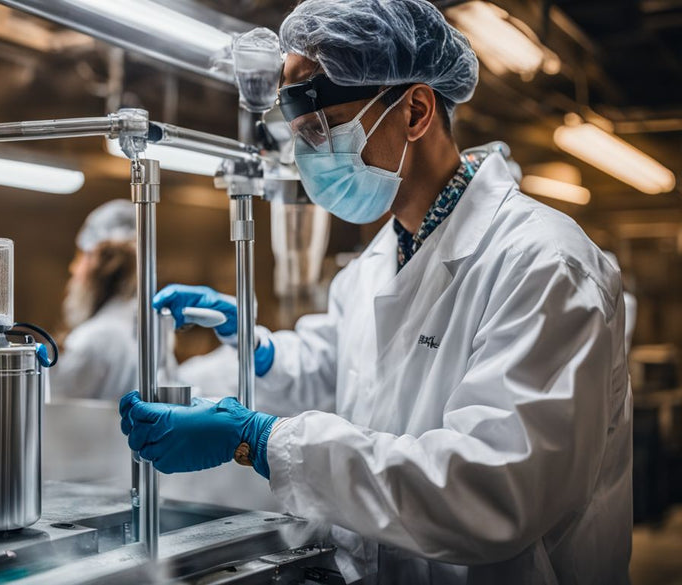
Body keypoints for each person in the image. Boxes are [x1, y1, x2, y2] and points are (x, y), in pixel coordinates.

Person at [119, 1, 632, 583]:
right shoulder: (375, 265)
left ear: (414, 110)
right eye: (301, 134)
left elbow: (491, 490)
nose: (310, 155)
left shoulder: (545, 264)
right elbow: (346, 371)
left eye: (321, 129)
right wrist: (259, 347)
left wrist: (258, 441)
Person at [48, 200, 138, 401]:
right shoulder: (145, 331)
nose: (73, 268)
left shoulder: (95, 337)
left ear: (98, 264)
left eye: (80, 257)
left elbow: (54, 412)